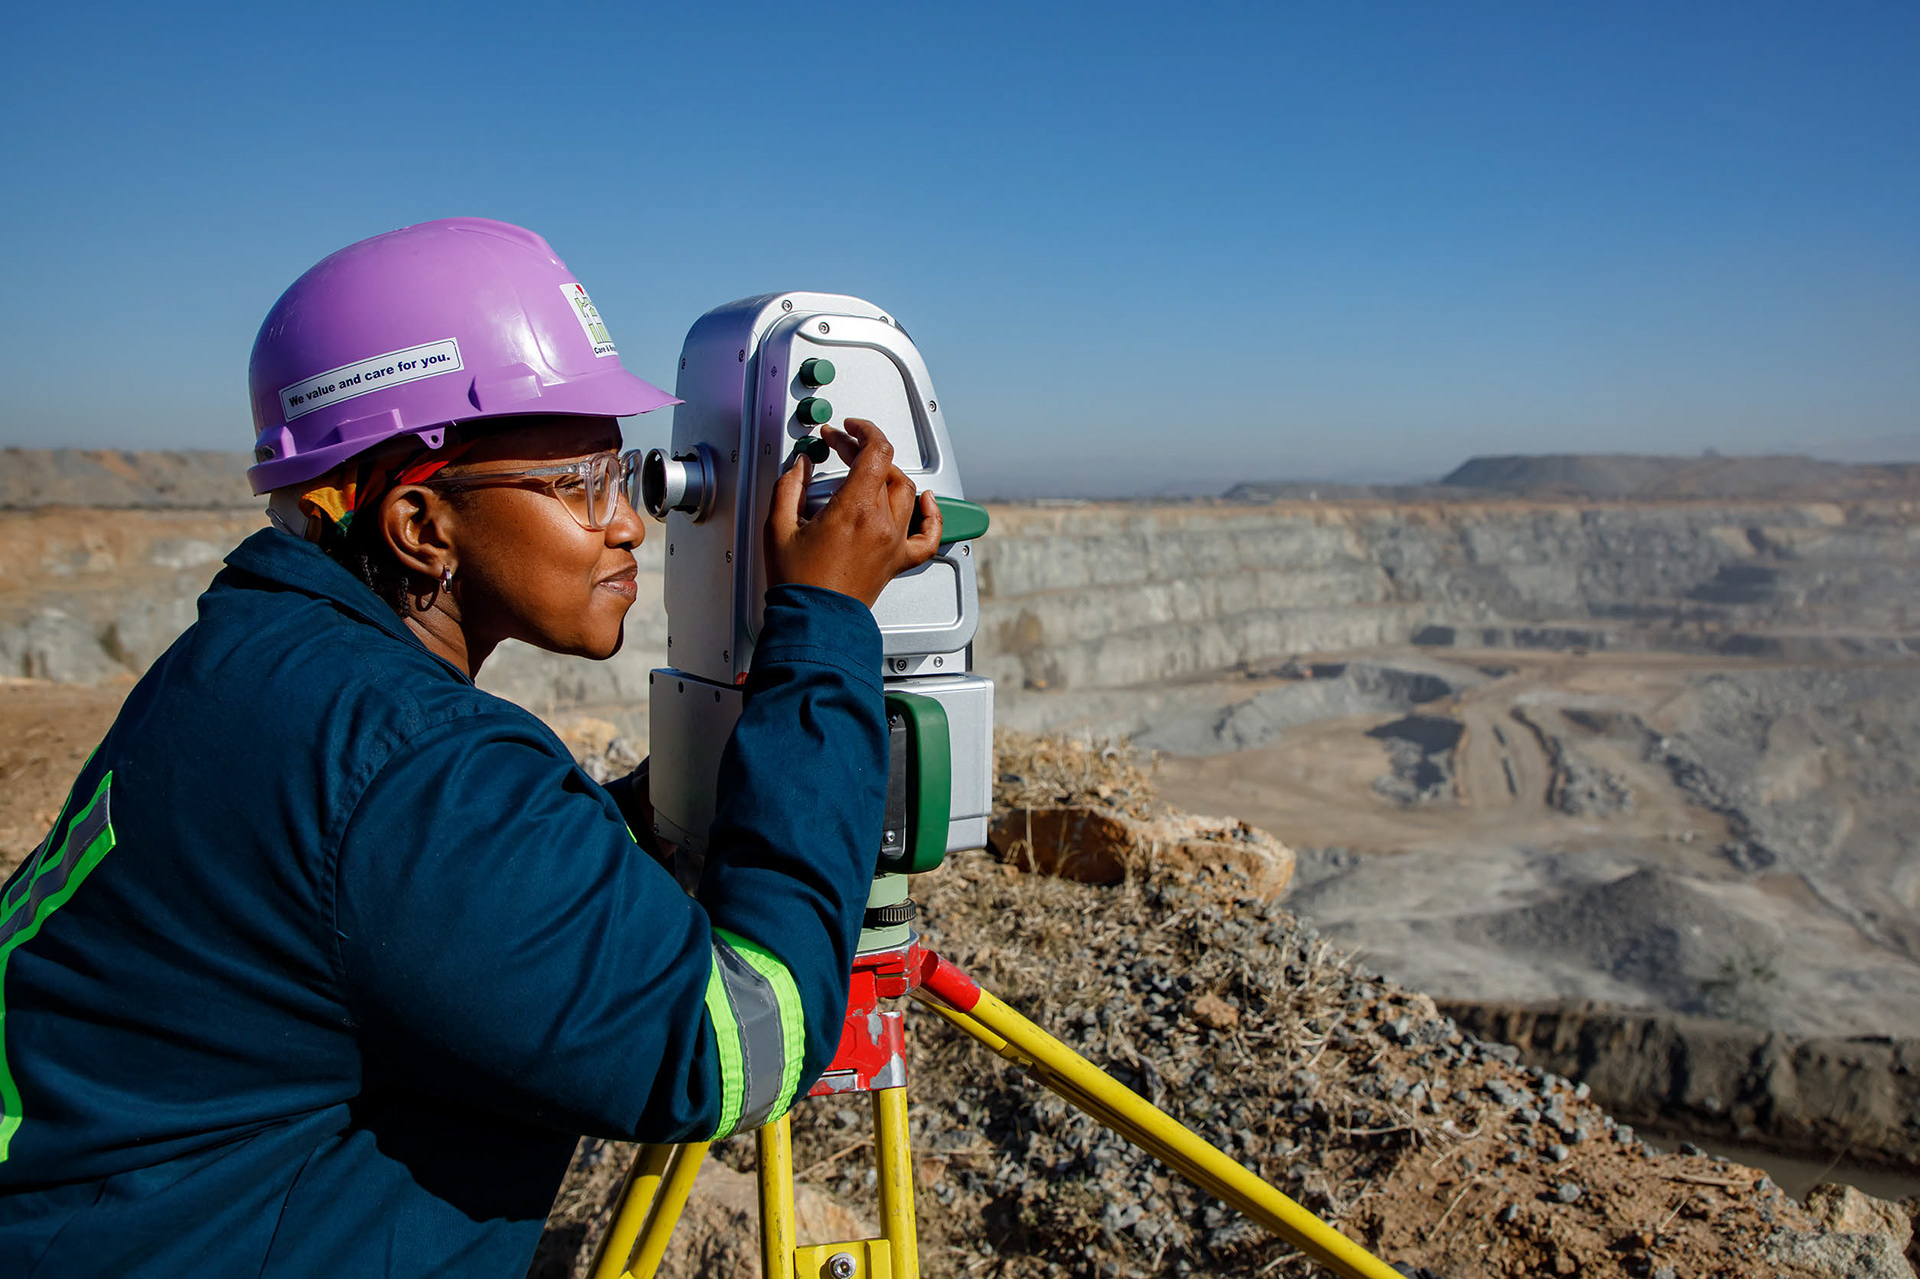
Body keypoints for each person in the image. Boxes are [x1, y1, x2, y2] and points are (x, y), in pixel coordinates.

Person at [0, 217, 941, 1276]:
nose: (628, 522)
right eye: (580, 482)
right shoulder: (410, 765)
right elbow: (736, 1047)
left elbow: (435, 888)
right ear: (420, 525)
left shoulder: (257, 663)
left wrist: (667, 804)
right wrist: (823, 627)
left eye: (623, 473)